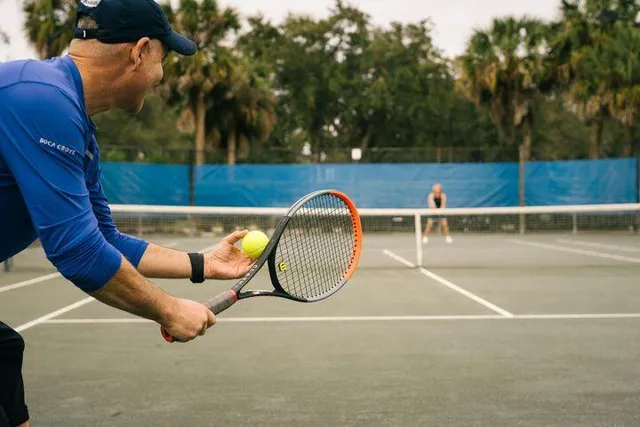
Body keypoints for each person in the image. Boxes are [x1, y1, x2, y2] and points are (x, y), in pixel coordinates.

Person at [0, 1, 256, 425]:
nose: (161, 75)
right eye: (163, 58)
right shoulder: (42, 100)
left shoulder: (69, 118)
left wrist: (203, 264)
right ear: (139, 52)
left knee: (6, 355)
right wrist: (169, 309)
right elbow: (77, 252)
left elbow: (105, 240)